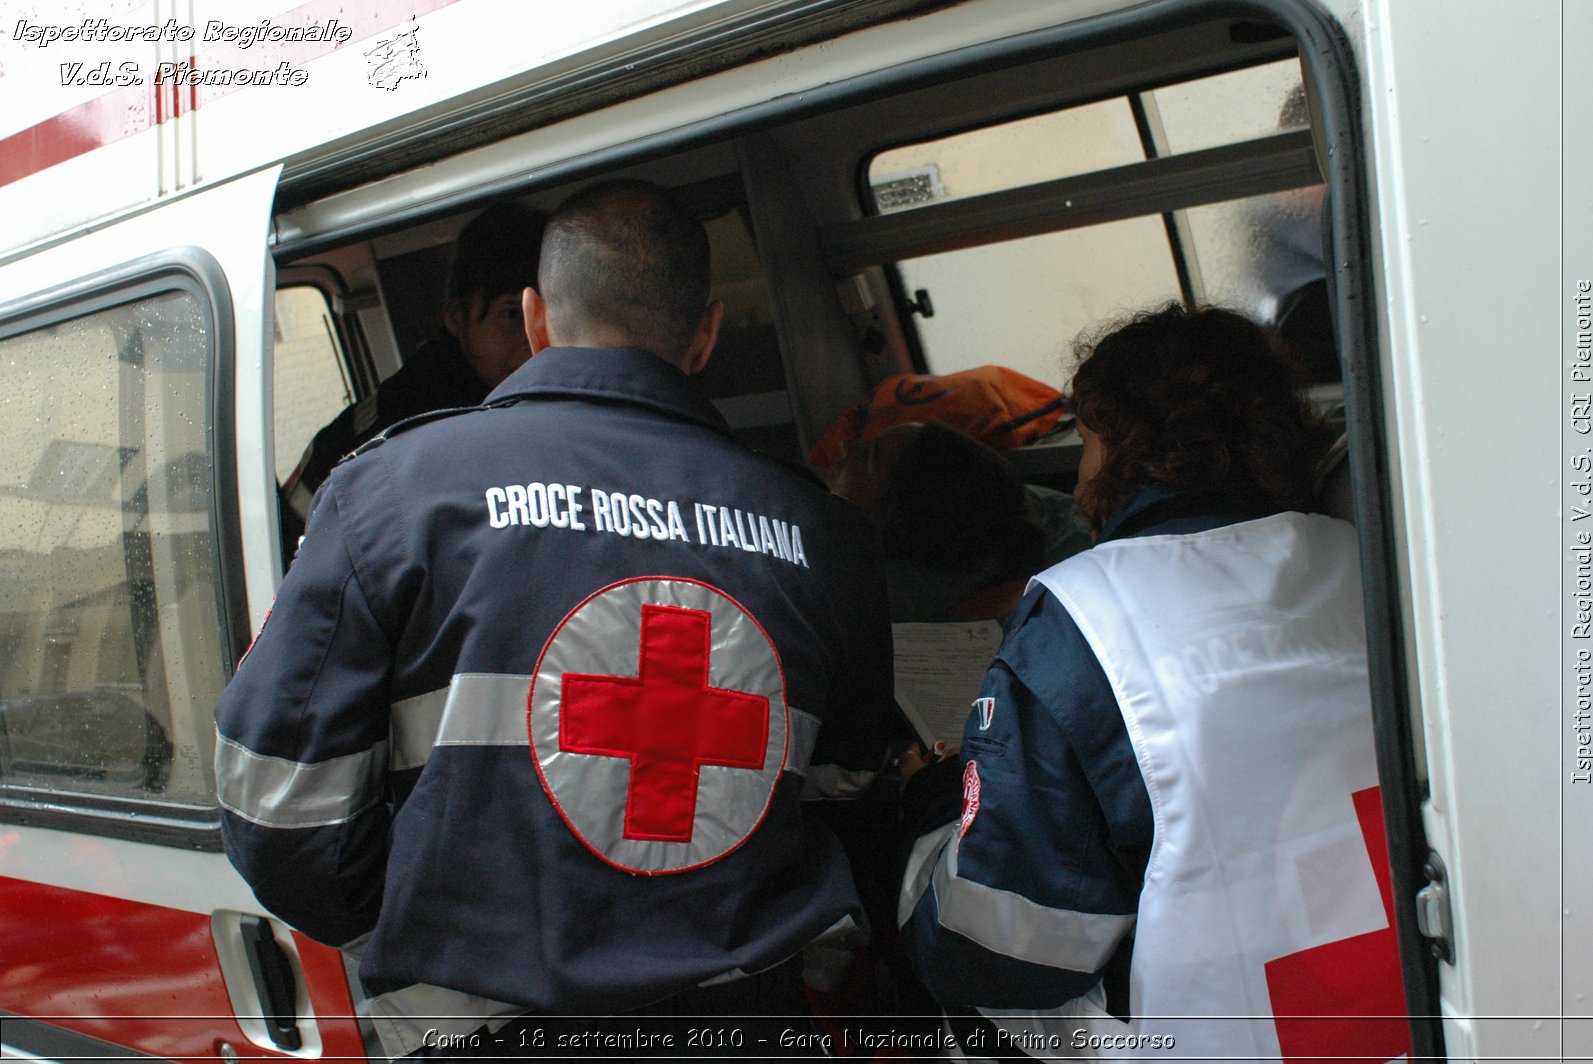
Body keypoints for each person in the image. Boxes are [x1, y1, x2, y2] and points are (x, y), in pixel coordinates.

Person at [216, 180, 896, 1059]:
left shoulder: (391, 495)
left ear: (535, 318)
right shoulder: (824, 534)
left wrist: (434, 939)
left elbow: (278, 813)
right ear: (705, 335)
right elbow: (843, 783)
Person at [898, 304, 1410, 1060]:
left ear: (1118, 447)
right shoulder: (1367, 559)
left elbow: (1003, 946)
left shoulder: (1082, 614)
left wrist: (933, 805)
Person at [278, 200, 547, 545]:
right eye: (511, 315)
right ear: (455, 316)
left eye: (546, 312)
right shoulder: (413, 425)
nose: (535, 338)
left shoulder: (497, 396)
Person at [827, 421, 1087, 621]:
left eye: (867, 458)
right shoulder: (1019, 502)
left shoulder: (884, 590)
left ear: (895, 509)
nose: (847, 445)